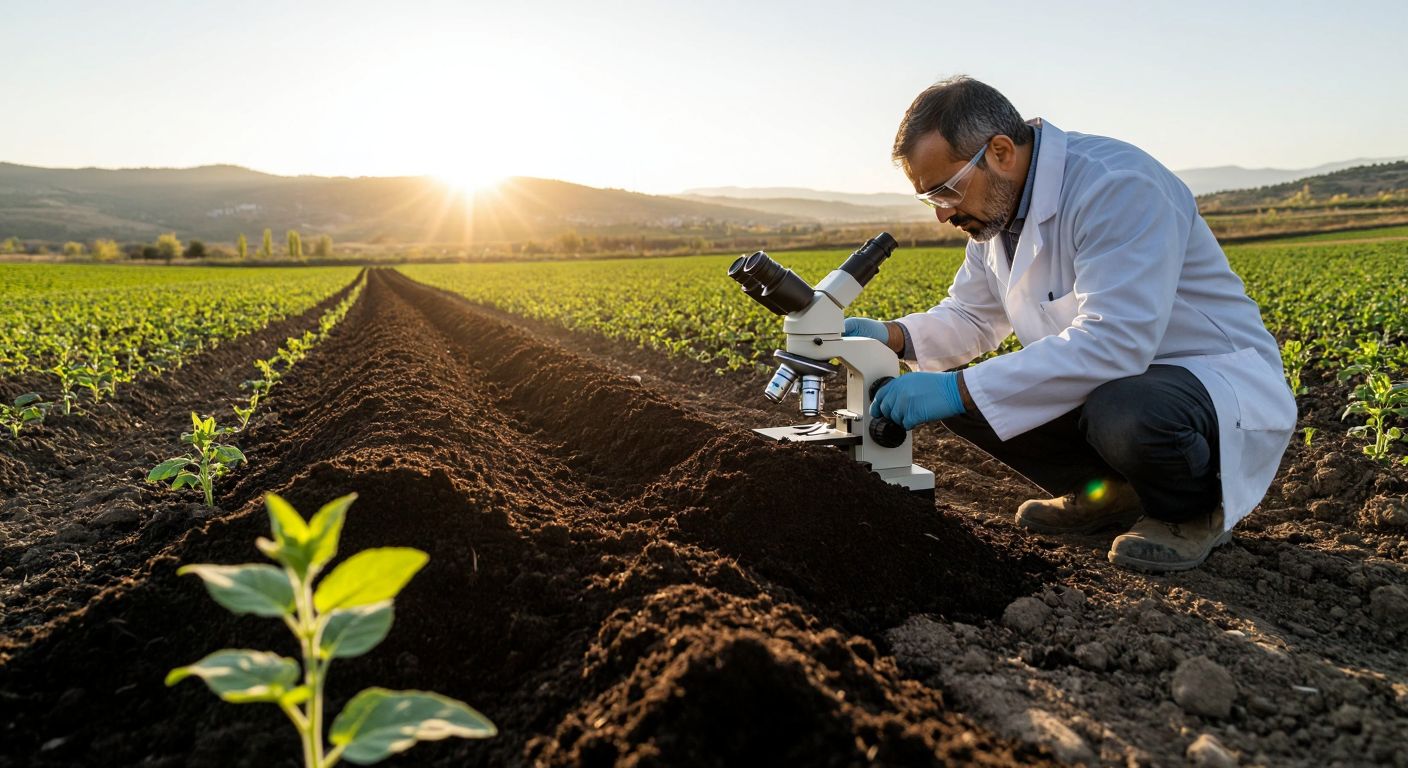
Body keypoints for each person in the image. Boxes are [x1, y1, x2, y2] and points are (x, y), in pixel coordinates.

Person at [847, 76, 1296, 572]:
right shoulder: (997, 218)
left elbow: (1115, 343)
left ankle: (1190, 513)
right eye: (930, 198)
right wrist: (891, 336)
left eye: (948, 190)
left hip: (1200, 379)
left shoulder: (1117, 186)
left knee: (1120, 410)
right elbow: (971, 316)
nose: (942, 215)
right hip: (1116, 375)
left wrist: (961, 388)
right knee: (958, 390)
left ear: (1000, 152)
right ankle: (1107, 493)